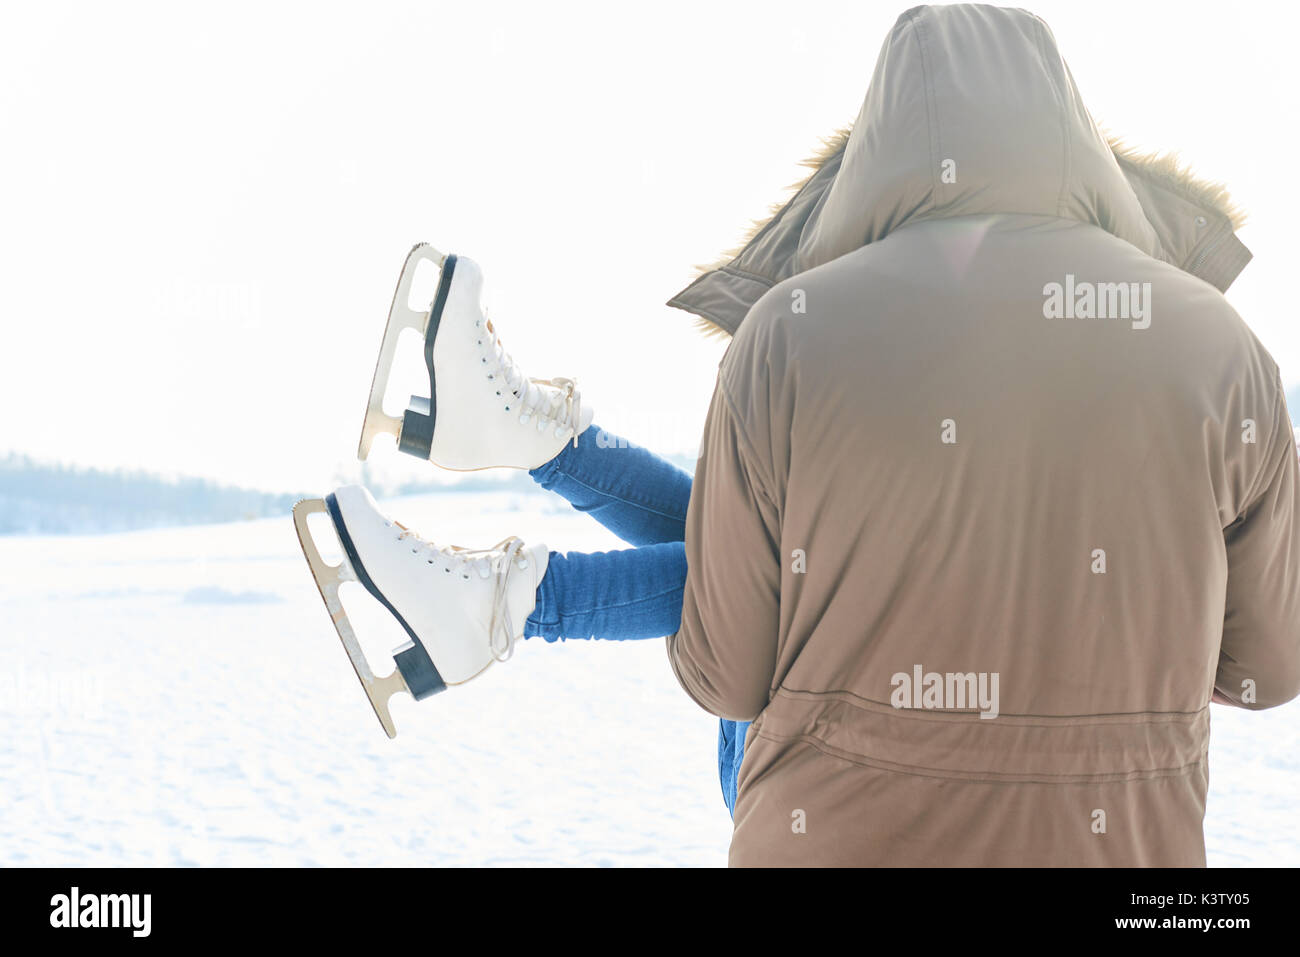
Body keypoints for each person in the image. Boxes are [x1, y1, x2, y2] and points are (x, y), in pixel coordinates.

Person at [307, 4, 1300, 865]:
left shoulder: (795, 332)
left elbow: (727, 670)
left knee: (772, 570)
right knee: (780, 560)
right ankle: (515, 544)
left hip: (837, 838)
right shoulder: (1221, 349)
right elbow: (1267, 670)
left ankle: (519, 551)